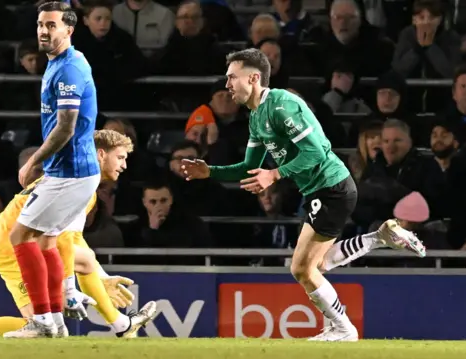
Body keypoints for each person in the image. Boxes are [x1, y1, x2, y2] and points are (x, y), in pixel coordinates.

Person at [181, 49, 426, 342]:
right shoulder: (257, 117)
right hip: (319, 191)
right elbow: (248, 167)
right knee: (316, 266)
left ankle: (344, 329)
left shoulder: (281, 106)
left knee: (301, 268)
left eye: (233, 77)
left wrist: (274, 174)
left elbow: (315, 151)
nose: (228, 84)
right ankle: (380, 238)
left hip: (332, 188)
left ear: (255, 77)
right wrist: (210, 171)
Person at [0, 130, 157, 338]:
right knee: (80, 269)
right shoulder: (78, 182)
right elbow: (63, 241)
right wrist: (73, 286)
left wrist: (101, 276)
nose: (124, 165)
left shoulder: (80, 180)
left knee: (41, 326)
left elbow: (72, 237)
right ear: (101, 154)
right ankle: (121, 325)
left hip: (11, 241)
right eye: (121, 157)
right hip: (12, 244)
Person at [9, 2, 102, 338]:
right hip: (72, 170)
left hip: (71, 171)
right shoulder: (60, 63)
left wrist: (33, 161)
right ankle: (56, 323)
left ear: (69, 30)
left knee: (19, 236)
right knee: (47, 241)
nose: (44, 31)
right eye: (40, 24)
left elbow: (66, 126)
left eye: (51, 25)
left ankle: (42, 319)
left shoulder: (69, 69)